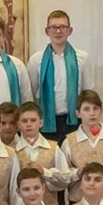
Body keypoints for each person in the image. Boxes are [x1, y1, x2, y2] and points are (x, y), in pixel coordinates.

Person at [28, 9, 90, 141]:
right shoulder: (36, 60)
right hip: (46, 122)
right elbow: (31, 94)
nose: (58, 31)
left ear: (70, 30)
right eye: (53, 27)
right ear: (47, 31)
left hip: (74, 121)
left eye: (62, 27)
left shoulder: (82, 58)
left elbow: (88, 93)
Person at [61, 90, 103, 204]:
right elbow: (62, 174)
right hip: (78, 203)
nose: (92, 113)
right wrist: (76, 173)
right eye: (86, 109)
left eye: (95, 108)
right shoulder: (69, 141)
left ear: (101, 111)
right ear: (78, 113)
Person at [13, 101, 72, 205]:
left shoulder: (53, 148)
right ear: (18, 125)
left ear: (41, 123)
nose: (29, 124)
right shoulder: (12, 150)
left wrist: (45, 172)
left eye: (33, 120)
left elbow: (66, 179)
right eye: (24, 121)